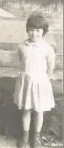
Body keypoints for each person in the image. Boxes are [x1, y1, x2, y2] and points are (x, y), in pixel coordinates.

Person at [14, 11, 56, 148]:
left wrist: (45, 79)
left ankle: (36, 137)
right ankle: (25, 137)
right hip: (26, 82)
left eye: (38, 31)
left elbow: (51, 66)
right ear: (27, 30)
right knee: (26, 110)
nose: (34, 34)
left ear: (43, 31)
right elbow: (21, 61)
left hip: (40, 83)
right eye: (31, 30)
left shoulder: (47, 49)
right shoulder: (22, 46)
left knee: (39, 111)